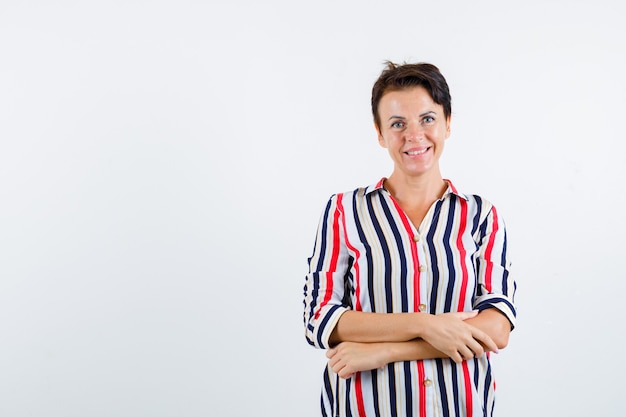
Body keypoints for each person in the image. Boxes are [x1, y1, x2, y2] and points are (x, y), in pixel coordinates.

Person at [302, 61, 517, 417]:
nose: (414, 135)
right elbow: (319, 318)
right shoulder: (344, 211)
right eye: (398, 124)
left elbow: (496, 329)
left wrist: (387, 350)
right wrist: (424, 323)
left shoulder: (482, 216)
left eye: (428, 119)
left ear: (448, 123)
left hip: (460, 405)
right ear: (380, 133)